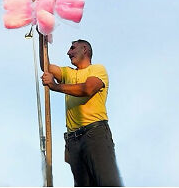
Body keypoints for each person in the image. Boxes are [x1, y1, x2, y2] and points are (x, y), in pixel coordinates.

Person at [41, 40, 122, 187]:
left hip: (94, 133)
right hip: (73, 141)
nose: (68, 52)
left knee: (107, 182)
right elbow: (45, 65)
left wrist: (55, 86)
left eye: (72, 48)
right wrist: (42, 38)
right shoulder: (68, 72)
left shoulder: (97, 69)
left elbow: (87, 89)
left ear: (85, 49)